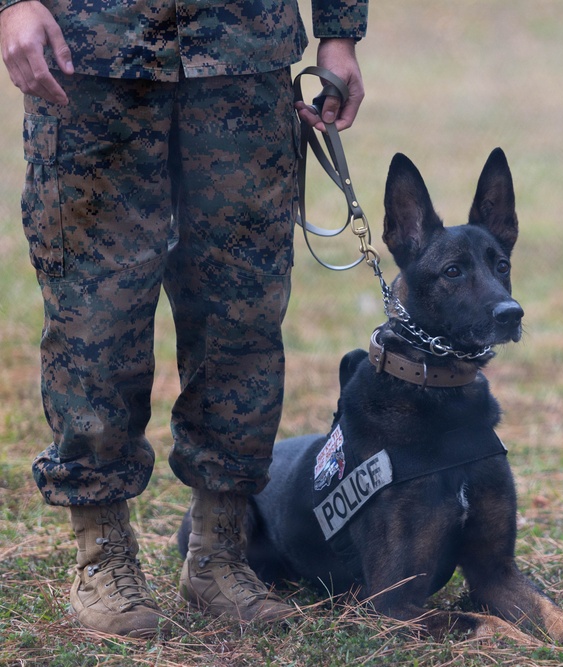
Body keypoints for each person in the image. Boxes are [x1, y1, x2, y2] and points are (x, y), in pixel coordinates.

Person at [0, 0, 367, 638]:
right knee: (95, 321)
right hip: (90, 61)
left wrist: (340, 34)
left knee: (240, 321)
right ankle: (102, 555)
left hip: (242, 60)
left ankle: (220, 552)